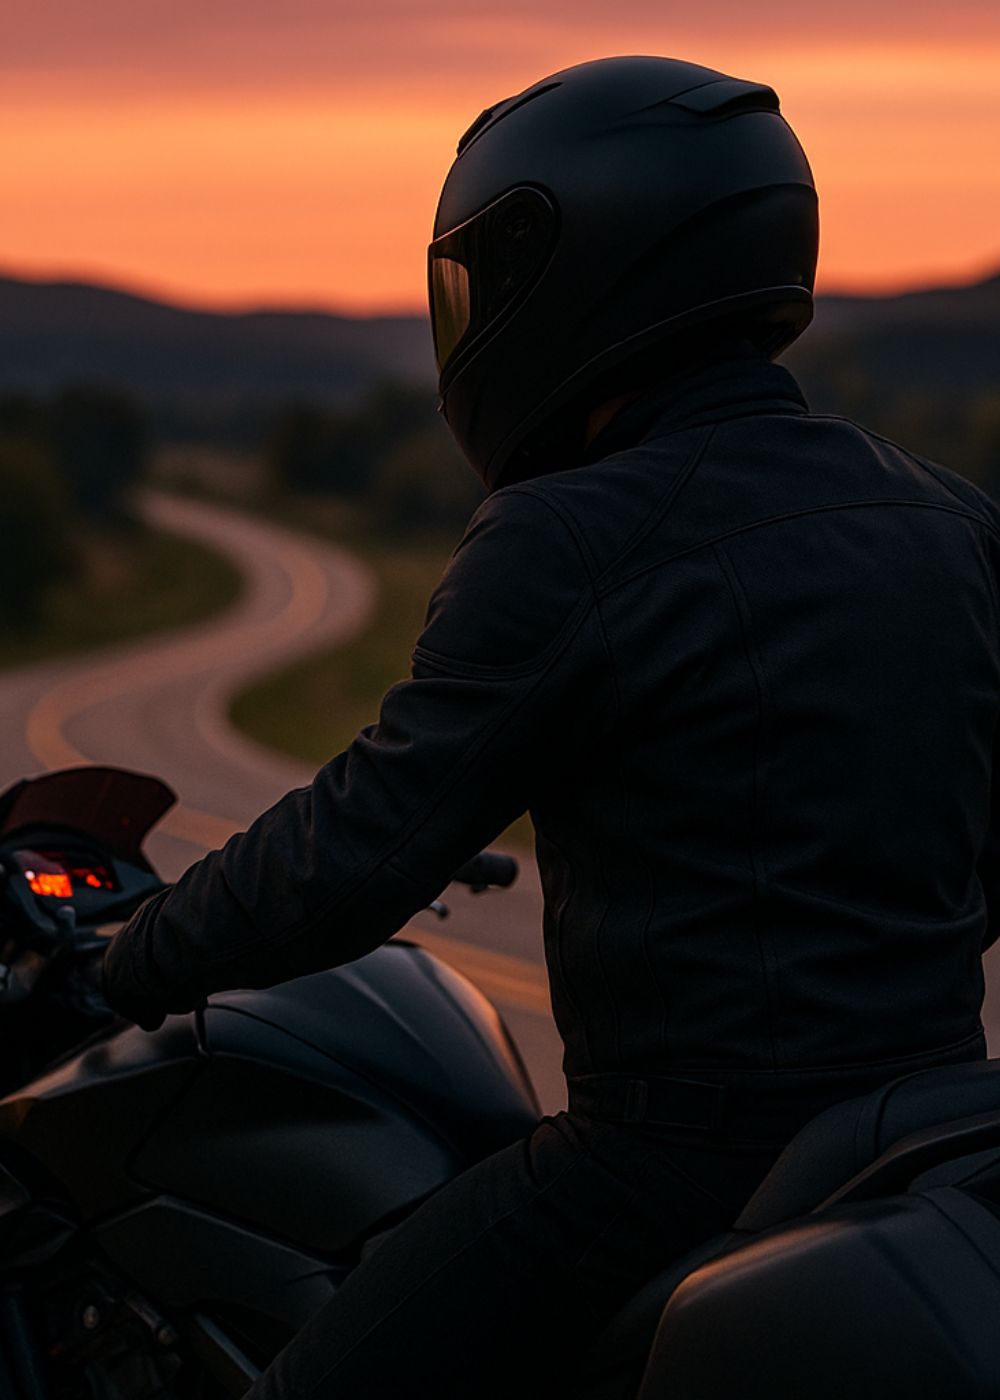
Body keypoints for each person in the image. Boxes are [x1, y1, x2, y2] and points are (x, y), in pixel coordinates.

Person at [103, 55, 1000, 1398]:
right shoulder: (949, 515)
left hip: (679, 1158)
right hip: (936, 1123)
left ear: (568, 269)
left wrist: (120, 963)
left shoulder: (567, 538)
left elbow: (352, 852)